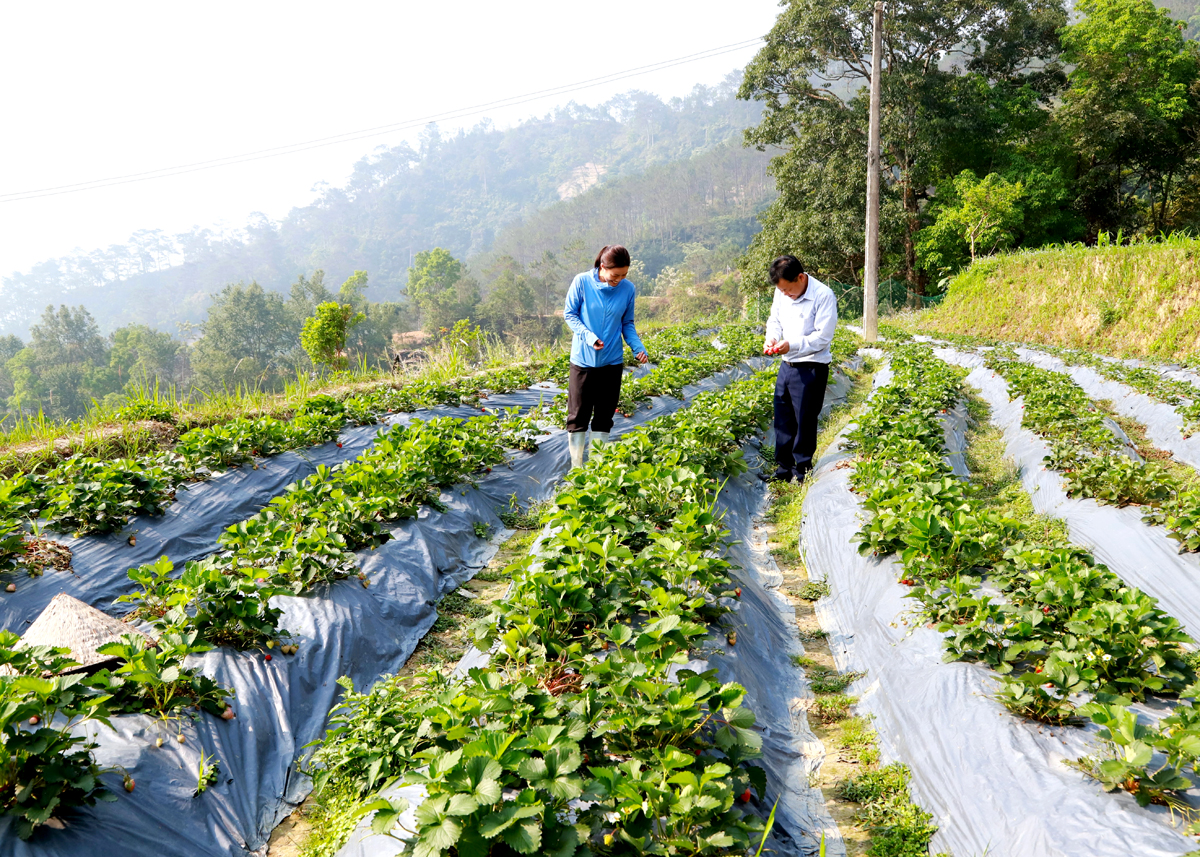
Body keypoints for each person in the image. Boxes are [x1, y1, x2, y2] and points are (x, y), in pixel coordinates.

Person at [562, 244, 649, 468]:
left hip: (611, 362)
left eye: (624, 275)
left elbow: (627, 323)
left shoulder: (628, 289)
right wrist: (588, 337)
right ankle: (577, 468)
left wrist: (637, 347)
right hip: (583, 361)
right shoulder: (582, 282)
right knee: (578, 417)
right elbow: (570, 314)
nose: (619, 279)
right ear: (603, 267)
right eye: (615, 274)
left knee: (603, 416)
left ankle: (597, 468)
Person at [762, 254, 838, 483]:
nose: (785, 294)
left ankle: (802, 469)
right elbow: (774, 320)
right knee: (783, 418)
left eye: (788, 289)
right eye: (782, 290)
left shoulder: (823, 295)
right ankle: (783, 470)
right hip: (787, 364)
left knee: (804, 420)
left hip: (811, 366)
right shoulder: (781, 291)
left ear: (801, 277)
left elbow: (822, 337)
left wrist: (791, 344)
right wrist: (772, 338)